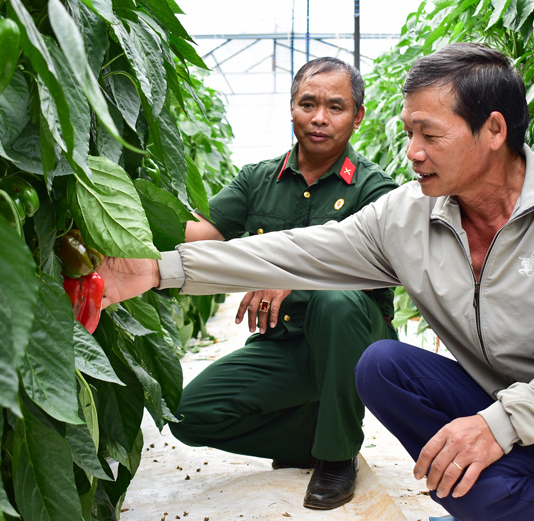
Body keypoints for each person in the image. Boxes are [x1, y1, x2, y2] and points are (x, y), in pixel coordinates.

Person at [98, 43, 534, 521]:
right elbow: (297, 252)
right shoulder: (408, 216)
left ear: (493, 130)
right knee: (382, 366)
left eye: (429, 135)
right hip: (502, 406)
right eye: (407, 133)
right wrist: (157, 269)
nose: (412, 153)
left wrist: (497, 428)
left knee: (471, 486)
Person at [165, 57, 399, 510]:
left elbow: (383, 266)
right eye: (307, 103)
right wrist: (130, 216)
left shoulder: (374, 190)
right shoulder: (258, 179)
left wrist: (293, 279)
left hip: (357, 341)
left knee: (336, 303)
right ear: (291, 108)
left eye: (335, 107)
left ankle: (338, 455)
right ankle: (311, 436)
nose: (319, 118)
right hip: (286, 343)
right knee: (187, 415)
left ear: (357, 116)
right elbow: (202, 233)